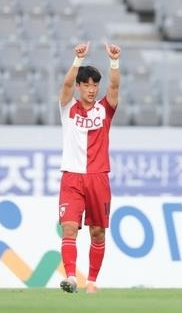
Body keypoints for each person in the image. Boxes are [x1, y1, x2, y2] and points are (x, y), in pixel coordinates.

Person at [58, 41, 121, 294]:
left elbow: (115, 86)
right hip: (72, 177)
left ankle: (92, 281)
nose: (92, 89)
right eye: (87, 85)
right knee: (69, 227)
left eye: (95, 85)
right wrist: (77, 60)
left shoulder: (105, 110)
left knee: (97, 232)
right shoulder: (68, 108)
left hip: (97, 178)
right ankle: (71, 277)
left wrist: (114, 61)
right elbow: (65, 86)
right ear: (80, 86)